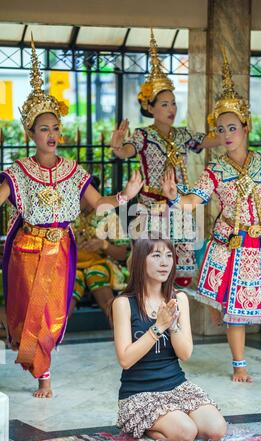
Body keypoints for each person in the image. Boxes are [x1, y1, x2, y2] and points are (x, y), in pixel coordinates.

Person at [0, 37, 143, 398]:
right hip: (26, 248)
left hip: (60, 249)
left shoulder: (73, 171)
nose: (52, 134)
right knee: (24, 313)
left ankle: (43, 373)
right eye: (44, 128)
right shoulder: (17, 171)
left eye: (55, 128)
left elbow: (99, 203)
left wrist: (127, 193)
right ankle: (40, 371)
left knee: (52, 314)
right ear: (30, 133)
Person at [161, 50, 261, 383]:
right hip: (227, 245)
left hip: (257, 245)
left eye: (232, 127)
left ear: (246, 127)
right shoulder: (216, 168)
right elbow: (196, 199)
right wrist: (175, 197)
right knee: (234, 310)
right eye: (221, 128)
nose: (226, 134)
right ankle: (240, 365)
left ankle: (226, 328)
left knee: (239, 309)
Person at [110, 29, 221, 288]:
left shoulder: (182, 134)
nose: (171, 109)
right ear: (150, 108)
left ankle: (172, 323)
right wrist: (117, 146)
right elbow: (125, 151)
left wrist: (232, 130)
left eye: (173, 103)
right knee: (151, 270)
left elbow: (206, 140)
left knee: (180, 273)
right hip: (150, 208)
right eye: (164, 104)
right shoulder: (143, 135)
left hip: (178, 205)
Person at [111, 237, 227, 441]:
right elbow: (125, 360)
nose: (165, 262)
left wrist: (172, 324)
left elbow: (185, 354)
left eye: (168, 256)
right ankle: (142, 426)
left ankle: (173, 418)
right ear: (140, 261)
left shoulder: (179, 299)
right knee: (185, 433)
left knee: (216, 430)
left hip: (177, 386)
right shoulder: (123, 303)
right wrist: (158, 327)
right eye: (156, 256)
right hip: (139, 392)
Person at [70, 177, 130, 320]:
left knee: (96, 274)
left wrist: (103, 245)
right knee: (72, 279)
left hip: (100, 264)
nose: (74, 198)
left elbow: (123, 254)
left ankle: (118, 327)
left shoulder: (108, 215)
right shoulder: (67, 214)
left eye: (79, 195)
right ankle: (56, 335)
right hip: (70, 264)